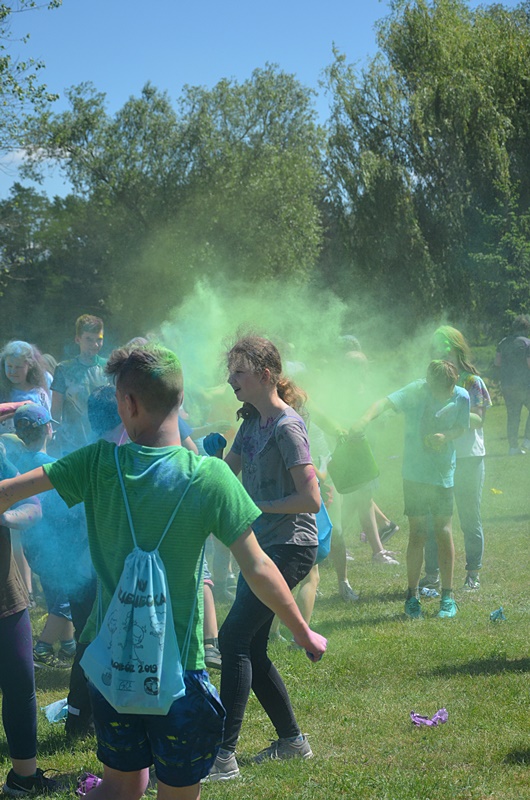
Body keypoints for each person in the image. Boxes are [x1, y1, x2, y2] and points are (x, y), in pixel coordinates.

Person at [0, 344, 326, 800]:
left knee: (121, 786)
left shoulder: (96, 463)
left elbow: (8, 492)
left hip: (111, 669)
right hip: (180, 673)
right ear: (180, 399)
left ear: (128, 404)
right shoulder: (210, 477)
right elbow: (258, 567)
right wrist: (302, 631)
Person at [206, 335, 322, 781]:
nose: (230, 380)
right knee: (249, 644)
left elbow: (310, 499)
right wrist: (211, 459)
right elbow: (227, 474)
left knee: (234, 639)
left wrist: (258, 508)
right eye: (230, 372)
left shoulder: (287, 427)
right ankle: (292, 741)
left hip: (291, 547)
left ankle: (222, 756)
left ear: (265, 375)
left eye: (238, 372)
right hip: (262, 548)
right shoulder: (252, 422)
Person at [355, 360, 470, 620]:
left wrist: (446, 436)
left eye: (449, 389)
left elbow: (462, 427)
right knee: (417, 533)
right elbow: (384, 403)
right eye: (440, 390)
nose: (446, 394)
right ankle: (412, 595)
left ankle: (447, 596)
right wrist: (364, 420)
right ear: (429, 383)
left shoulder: (461, 396)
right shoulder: (416, 390)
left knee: (443, 532)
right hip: (415, 475)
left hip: (443, 475)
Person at [0, 443, 57, 797]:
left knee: (21, 683)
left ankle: (24, 776)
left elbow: (32, 506)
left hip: (5, 594)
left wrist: (5, 517)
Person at [421, 328, 492, 591]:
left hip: (468, 457)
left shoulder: (472, 381)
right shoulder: (431, 381)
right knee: (433, 519)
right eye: (435, 347)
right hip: (440, 458)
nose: (440, 352)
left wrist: (454, 409)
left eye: (445, 346)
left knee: (469, 517)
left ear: (456, 348)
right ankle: (432, 575)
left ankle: (473, 573)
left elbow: (479, 419)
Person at [51, 314, 108, 454]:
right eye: (89, 339)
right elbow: (55, 412)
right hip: (71, 446)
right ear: (77, 339)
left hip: (102, 444)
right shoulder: (64, 369)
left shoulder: (109, 368)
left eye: (99, 340)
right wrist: (53, 441)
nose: (95, 345)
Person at [495, 315, 530, 455]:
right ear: (526, 329)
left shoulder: (503, 342)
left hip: (507, 385)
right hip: (525, 385)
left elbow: (497, 363)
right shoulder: (527, 343)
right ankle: (528, 439)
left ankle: (513, 448)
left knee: (513, 416)